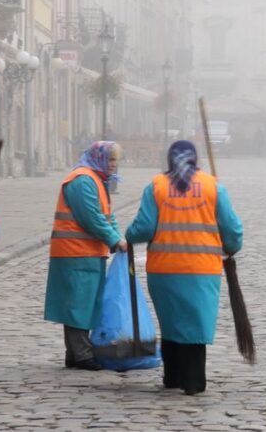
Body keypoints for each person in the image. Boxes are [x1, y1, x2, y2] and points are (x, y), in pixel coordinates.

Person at [125, 140, 243, 395]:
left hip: (164, 269)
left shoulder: (157, 186)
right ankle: (193, 380)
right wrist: (232, 246)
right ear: (194, 158)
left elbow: (143, 227)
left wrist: (129, 235)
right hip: (202, 270)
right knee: (196, 323)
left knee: (171, 321)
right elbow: (232, 229)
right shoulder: (213, 187)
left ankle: (173, 376)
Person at [44, 140, 127, 371]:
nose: (113, 165)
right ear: (98, 158)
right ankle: (81, 354)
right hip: (74, 252)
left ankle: (76, 353)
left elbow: (107, 216)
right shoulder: (83, 180)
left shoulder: (96, 180)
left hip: (87, 252)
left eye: (115, 161)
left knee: (86, 303)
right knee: (78, 304)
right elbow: (91, 217)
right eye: (110, 160)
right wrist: (114, 239)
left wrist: (117, 237)